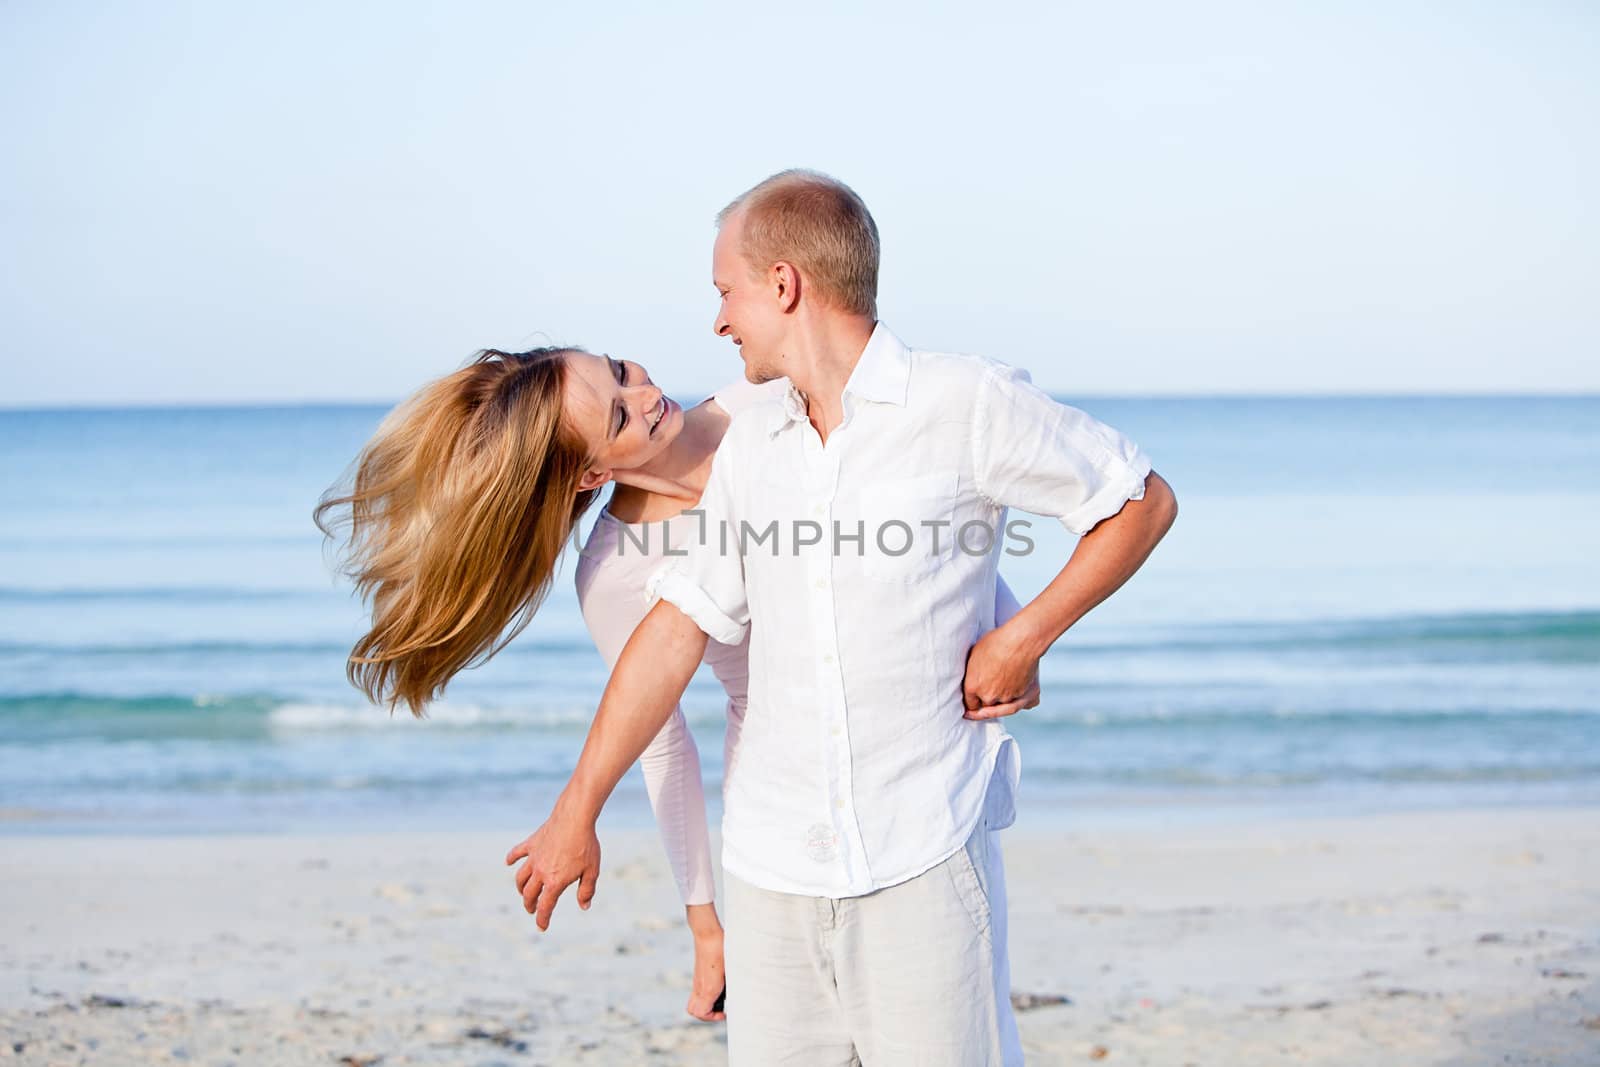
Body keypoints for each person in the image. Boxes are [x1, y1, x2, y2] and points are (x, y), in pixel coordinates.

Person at [505, 169, 1179, 1065]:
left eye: (725, 293)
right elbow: (674, 633)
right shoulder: (755, 449)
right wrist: (579, 810)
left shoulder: (958, 402)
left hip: (921, 846)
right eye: (616, 412)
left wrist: (1022, 634)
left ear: (782, 286)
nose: (716, 322)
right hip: (770, 864)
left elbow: (1130, 501)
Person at [313, 338, 1032, 1024]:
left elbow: (915, 516)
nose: (648, 394)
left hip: (912, 778)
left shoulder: (770, 399)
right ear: (592, 474)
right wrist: (706, 924)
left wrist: (1010, 634)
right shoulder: (616, 573)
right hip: (778, 812)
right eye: (620, 414)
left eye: (622, 369)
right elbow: (665, 749)